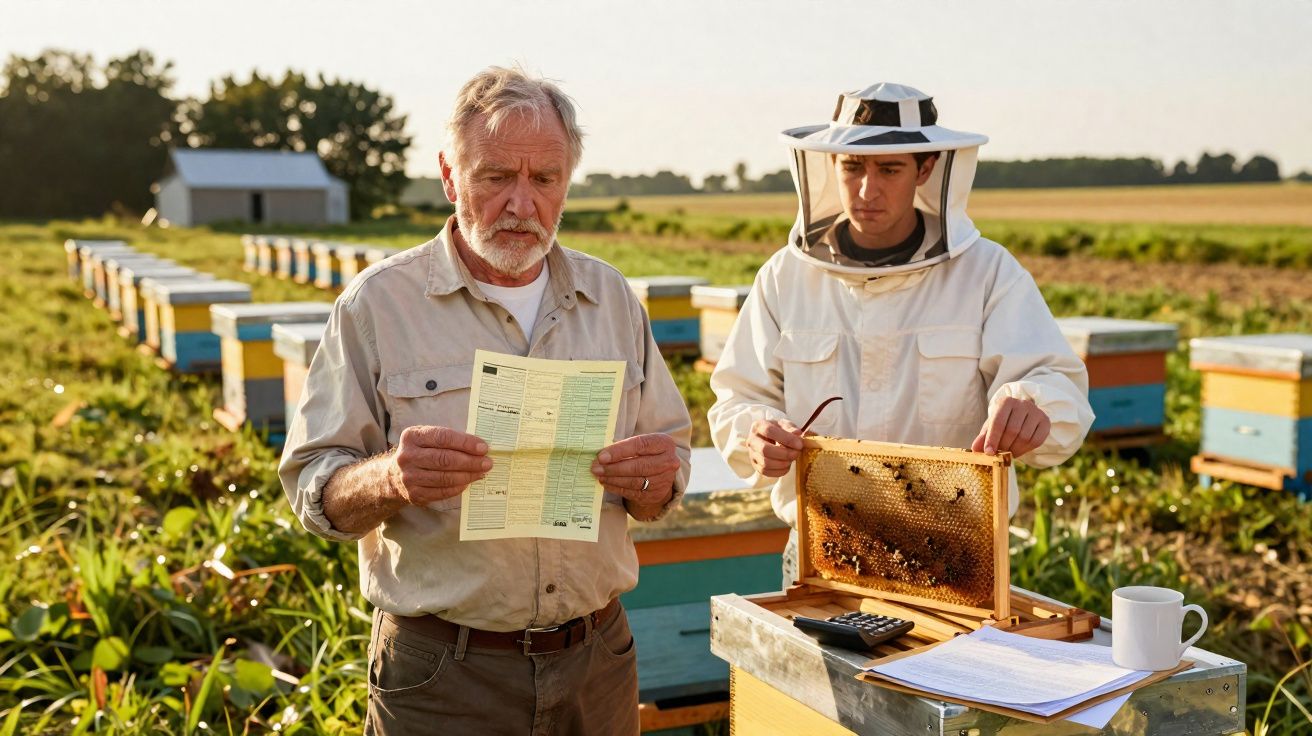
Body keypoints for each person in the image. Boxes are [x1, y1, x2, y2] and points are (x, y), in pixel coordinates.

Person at [279, 66, 692, 735]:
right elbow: (313, 491)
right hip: (444, 675)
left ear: (566, 182)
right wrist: (388, 477)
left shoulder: (612, 299)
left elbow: (668, 469)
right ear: (450, 176)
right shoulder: (379, 306)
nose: (522, 204)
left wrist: (654, 478)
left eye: (544, 179)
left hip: (598, 661)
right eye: (496, 176)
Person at [707, 83, 1094, 587]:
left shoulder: (986, 273)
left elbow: (1056, 384)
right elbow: (738, 398)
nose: (868, 191)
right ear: (831, 167)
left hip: (956, 557)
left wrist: (1033, 404)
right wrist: (756, 433)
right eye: (853, 168)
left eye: (889, 169)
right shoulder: (785, 278)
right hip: (823, 552)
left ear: (926, 169)